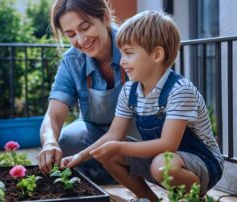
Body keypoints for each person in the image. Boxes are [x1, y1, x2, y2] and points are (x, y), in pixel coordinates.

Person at [61, 10, 224, 201]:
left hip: (203, 163)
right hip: (165, 158)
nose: (122, 62)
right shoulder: (130, 90)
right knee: (107, 155)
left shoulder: (180, 90)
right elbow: (113, 135)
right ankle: (149, 199)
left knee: (162, 166)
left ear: (157, 54)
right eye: (121, 54)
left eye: (129, 53)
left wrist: (120, 147)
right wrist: (80, 156)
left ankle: (195, 196)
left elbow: (167, 144)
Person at [37, 0, 139, 184]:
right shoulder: (72, 61)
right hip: (97, 138)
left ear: (106, 17)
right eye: (71, 34)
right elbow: (53, 115)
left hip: (139, 136)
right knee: (69, 138)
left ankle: (135, 171)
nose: (81, 40)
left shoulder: (135, 47)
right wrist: (50, 142)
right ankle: (108, 175)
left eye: (85, 27)